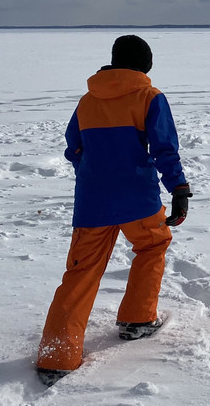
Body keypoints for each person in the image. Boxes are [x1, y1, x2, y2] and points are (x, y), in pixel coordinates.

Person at [36, 35, 192, 386]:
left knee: (81, 271)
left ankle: (57, 357)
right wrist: (179, 189)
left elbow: (73, 147)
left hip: (92, 201)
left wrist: (94, 175)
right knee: (152, 246)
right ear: (145, 64)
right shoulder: (150, 97)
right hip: (138, 198)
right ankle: (138, 319)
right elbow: (165, 149)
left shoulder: (88, 100)